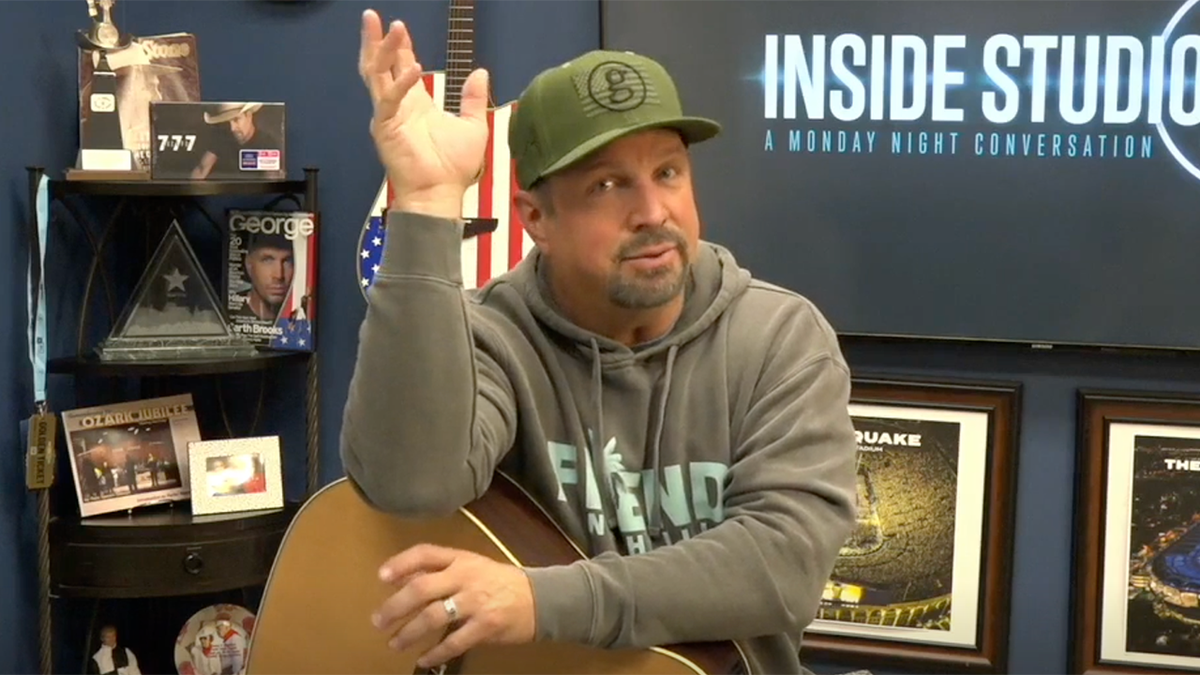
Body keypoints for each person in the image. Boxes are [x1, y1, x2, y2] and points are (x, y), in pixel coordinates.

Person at [341, 9, 858, 675]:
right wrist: (427, 199)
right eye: (608, 185)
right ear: (537, 219)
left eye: (668, 172)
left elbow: (782, 564)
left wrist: (540, 597)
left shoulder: (779, 337)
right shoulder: (495, 335)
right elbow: (408, 484)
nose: (653, 212)